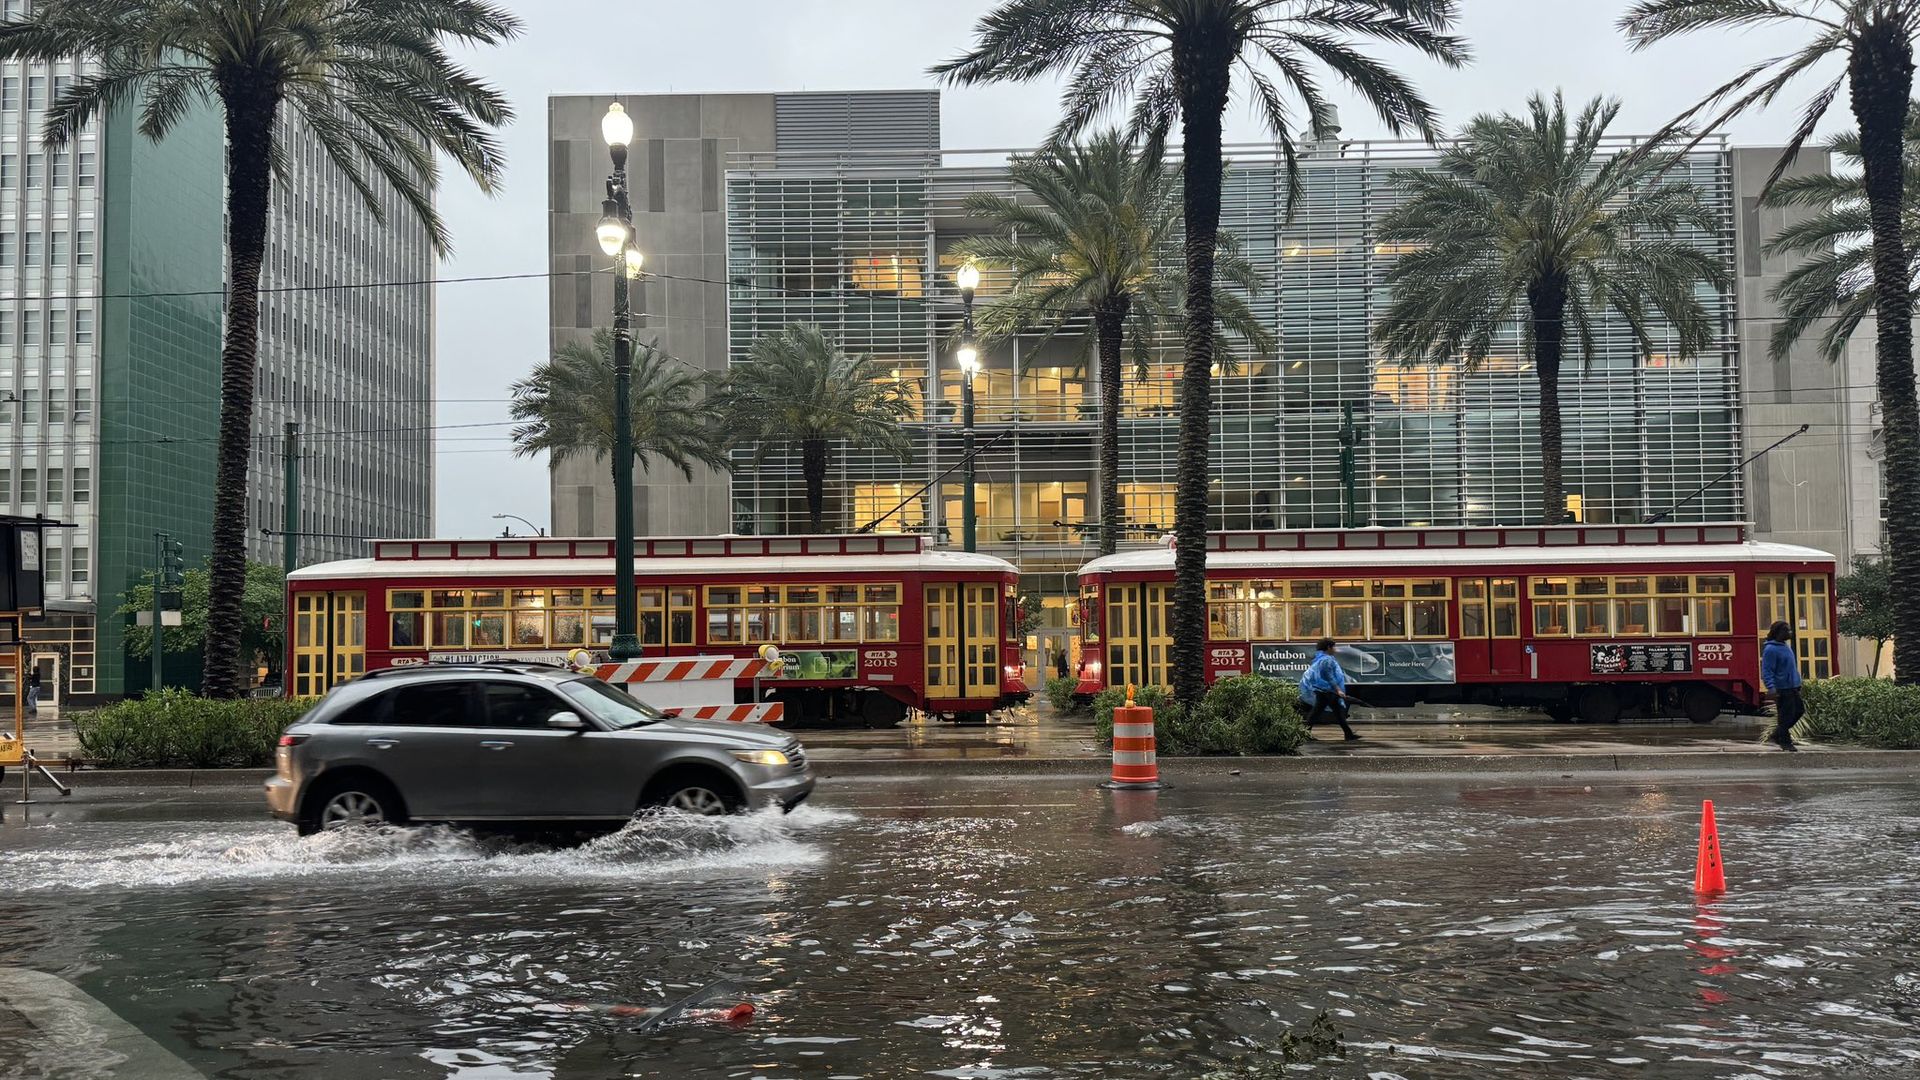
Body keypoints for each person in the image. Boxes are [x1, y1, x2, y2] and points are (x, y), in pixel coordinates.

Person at [1303, 638, 1358, 741]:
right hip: (1326, 691)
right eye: (1334, 647)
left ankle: (1348, 733)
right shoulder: (1326, 660)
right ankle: (1304, 733)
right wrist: (1338, 689)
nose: (1335, 649)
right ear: (1329, 647)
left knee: (1337, 713)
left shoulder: (1321, 658)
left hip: (1326, 690)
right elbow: (1329, 676)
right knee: (1316, 712)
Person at [1761, 620, 1802, 752]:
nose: (1790, 632)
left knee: (1799, 711)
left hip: (1792, 686)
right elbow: (1767, 671)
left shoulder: (1785, 646)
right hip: (1782, 688)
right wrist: (1771, 688)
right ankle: (1785, 742)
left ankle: (1777, 734)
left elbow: (1791, 668)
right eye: (1787, 630)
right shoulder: (1770, 649)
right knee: (1786, 716)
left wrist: (1797, 683)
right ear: (1778, 632)